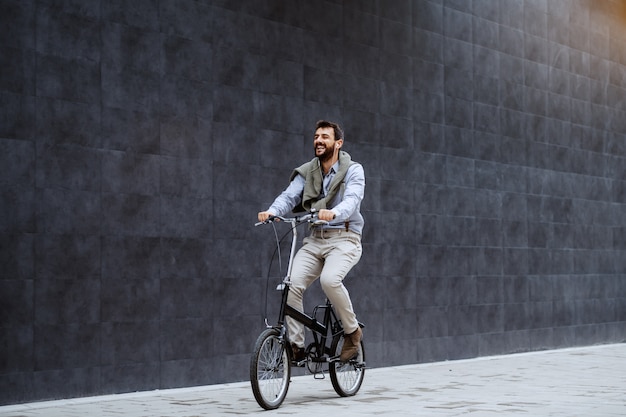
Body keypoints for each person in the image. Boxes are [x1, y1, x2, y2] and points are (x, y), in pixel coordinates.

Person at [258, 120, 366, 363]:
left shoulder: (353, 170)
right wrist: (273, 211)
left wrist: (334, 213)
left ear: (338, 143)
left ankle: (352, 331)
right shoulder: (309, 171)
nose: (319, 140)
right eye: (316, 136)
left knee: (330, 280)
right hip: (315, 239)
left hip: (345, 238)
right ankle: (296, 345)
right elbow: (289, 195)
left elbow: (352, 200)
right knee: (291, 285)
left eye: (325, 137)